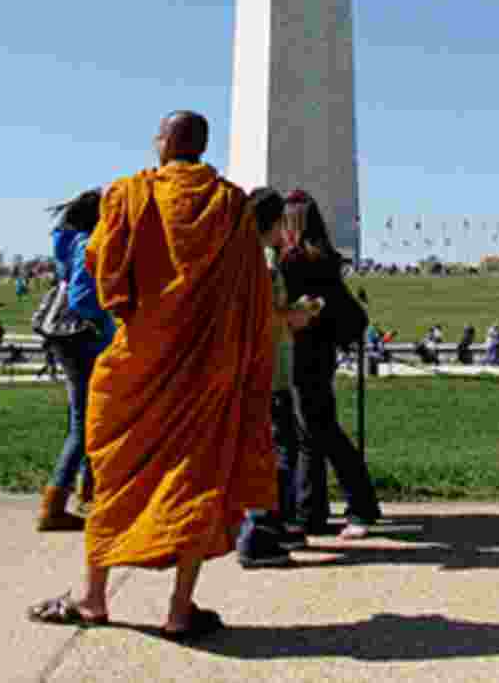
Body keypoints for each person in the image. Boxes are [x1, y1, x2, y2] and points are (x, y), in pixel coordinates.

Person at [28, 111, 276, 641]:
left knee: (114, 471)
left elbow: (103, 272)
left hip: (138, 362)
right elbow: (252, 290)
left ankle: (95, 598)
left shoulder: (127, 195)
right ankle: (179, 611)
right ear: (203, 146)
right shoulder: (231, 206)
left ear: (166, 143)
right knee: (195, 481)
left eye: (159, 135)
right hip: (205, 370)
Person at [281, 190, 381, 541]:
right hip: (321, 353)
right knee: (312, 435)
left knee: (322, 433)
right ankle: (311, 511)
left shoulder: (294, 261)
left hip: (301, 352)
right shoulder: (324, 258)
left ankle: (362, 505)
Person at [236, 187, 317, 569]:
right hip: (269, 370)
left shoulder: (245, 258)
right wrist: (296, 315)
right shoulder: (262, 265)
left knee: (274, 448)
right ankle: (259, 533)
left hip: (260, 368)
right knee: (276, 453)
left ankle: (272, 524)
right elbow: (264, 317)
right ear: (275, 222)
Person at [35, 189, 116, 533]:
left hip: (62, 332)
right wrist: (104, 320)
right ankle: (54, 506)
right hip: (80, 334)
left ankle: (87, 492)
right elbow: (83, 297)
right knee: (85, 425)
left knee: (82, 417)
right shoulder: (87, 243)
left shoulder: (68, 241)